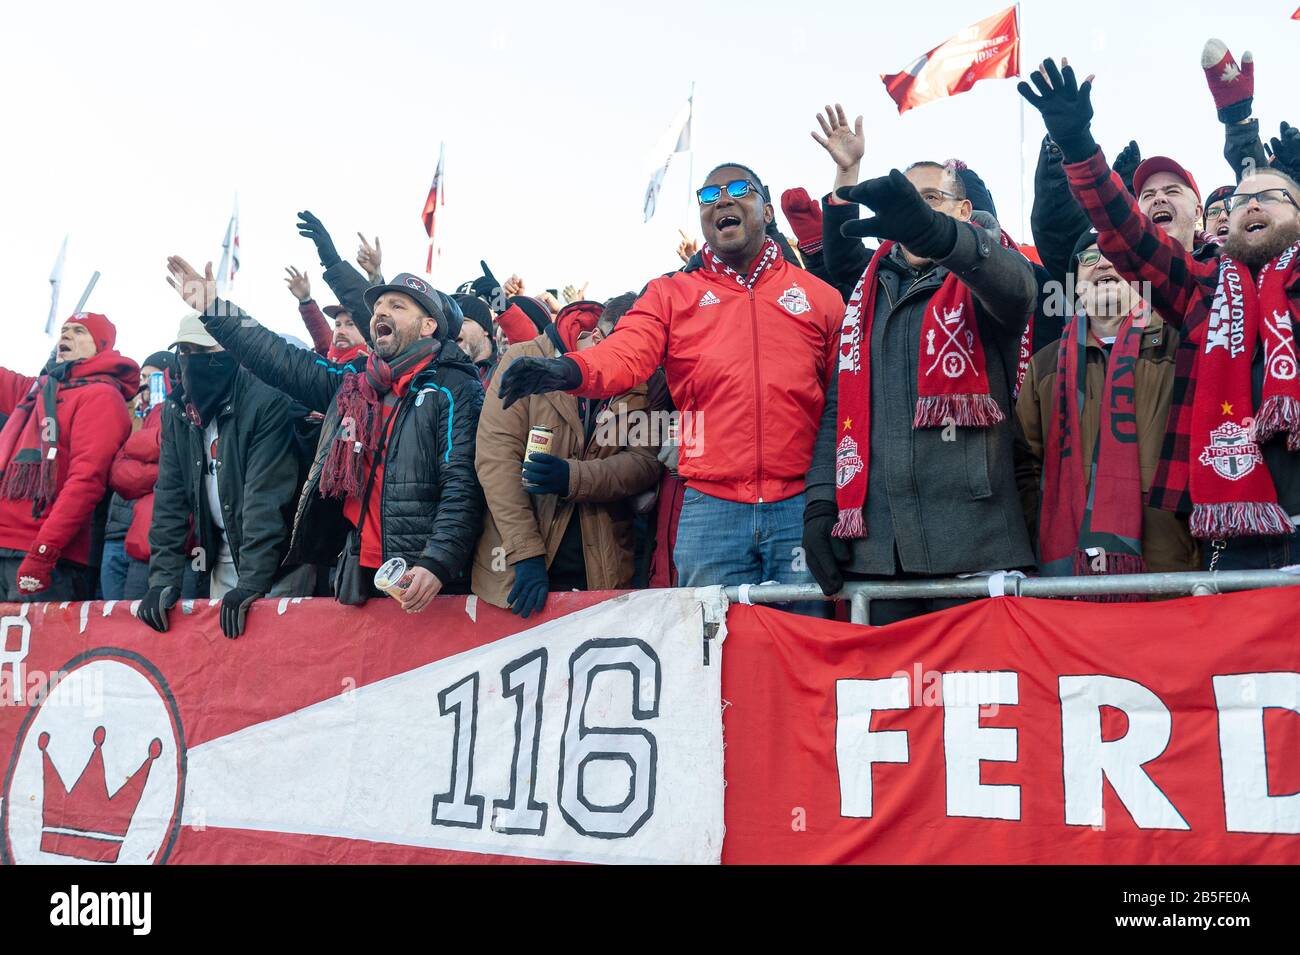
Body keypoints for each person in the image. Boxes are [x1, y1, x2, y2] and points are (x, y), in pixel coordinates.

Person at [498, 163, 842, 605]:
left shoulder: (819, 297)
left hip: (797, 506)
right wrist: (569, 370)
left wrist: (827, 498)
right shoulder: (671, 293)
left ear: (768, 212)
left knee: (800, 645)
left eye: (740, 189)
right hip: (711, 510)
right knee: (709, 656)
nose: (723, 199)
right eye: (708, 194)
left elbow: (841, 402)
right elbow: (626, 351)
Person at [1022, 56, 1300, 570]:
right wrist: (1079, 147)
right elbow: (1126, 236)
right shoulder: (1206, 291)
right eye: (1242, 202)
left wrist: (1240, 124)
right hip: (1238, 537)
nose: (1253, 206)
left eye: (1272, 197)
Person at [163, 256, 484, 610]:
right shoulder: (354, 383)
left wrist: (437, 561)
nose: (380, 312)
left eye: (396, 305)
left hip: (428, 581)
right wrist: (213, 307)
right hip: (358, 576)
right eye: (377, 305)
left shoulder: (454, 387)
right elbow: (278, 357)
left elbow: (462, 484)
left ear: (427, 326)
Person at [1016, 232, 1198, 588]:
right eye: (1087, 259)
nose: (1102, 262)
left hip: (1168, 566)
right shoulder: (1045, 364)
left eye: (1115, 254)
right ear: (1075, 286)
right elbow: (1025, 464)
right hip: (1068, 569)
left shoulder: (1183, 345)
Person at [473, 298, 660, 616]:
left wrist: (573, 478)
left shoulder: (644, 376)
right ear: (601, 337)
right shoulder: (525, 358)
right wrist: (526, 552)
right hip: (516, 568)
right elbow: (497, 459)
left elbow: (644, 462)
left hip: (602, 567)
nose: (636, 360)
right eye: (630, 349)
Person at [137, 314, 309, 637]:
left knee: (279, 660)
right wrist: (162, 580)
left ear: (230, 349)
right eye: (185, 352)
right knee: (229, 666)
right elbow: (170, 500)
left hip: (282, 560)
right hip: (222, 555)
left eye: (203, 352)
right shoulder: (176, 411)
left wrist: (253, 581)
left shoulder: (264, 400)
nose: (192, 361)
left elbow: (266, 499)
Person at [0, 313, 138, 600]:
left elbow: (86, 482)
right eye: (64, 330)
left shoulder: (101, 397)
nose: (66, 335)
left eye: (79, 331)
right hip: (5, 547)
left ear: (101, 346)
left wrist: (43, 552)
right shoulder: (38, 389)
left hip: (48, 559)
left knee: (36, 647)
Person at [102, 351, 179, 599]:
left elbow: (173, 459)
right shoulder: (130, 414)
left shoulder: (176, 411)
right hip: (117, 531)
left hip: (150, 537)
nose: (143, 383)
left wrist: (141, 452)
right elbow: (116, 473)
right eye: (141, 377)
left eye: (150, 376)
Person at [285, 266, 368, 365]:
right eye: (337, 325)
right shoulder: (329, 356)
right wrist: (305, 300)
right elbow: (319, 331)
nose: (340, 331)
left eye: (350, 324)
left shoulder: (371, 366)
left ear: (367, 330)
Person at [454, 293, 498, 384]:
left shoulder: (503, 364)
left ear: (485, 329)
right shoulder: (444, 371)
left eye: (463, 321)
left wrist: (500, 300)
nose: (453, 329)